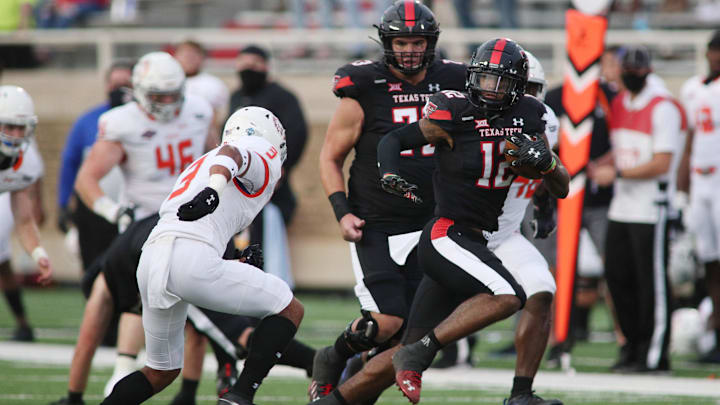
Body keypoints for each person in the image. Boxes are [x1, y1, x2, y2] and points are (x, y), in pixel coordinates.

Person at [310, 37, 563, 405]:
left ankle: (520, 393)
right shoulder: (458, 112)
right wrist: (387, 175)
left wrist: (546, 171)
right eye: (484, 79)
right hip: (452, 234)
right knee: (498, 299)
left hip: (497, 236)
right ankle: (413, 353)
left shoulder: (532, 117)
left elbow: (554, 183)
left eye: (509, 84)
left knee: (537, 292)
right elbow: (395, 140)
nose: (491, 90)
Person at [313, 0, 467, 399]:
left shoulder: (455, 79)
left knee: (411, 334)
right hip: (375, 221)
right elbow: (330, 157)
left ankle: (349, 387)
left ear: (431, 42)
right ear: (387, 43)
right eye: (402, 42)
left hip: (432, 225)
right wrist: (341, 213)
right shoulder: (363, 85)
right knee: (385, 322)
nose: (410, 49)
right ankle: (331, 357)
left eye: (418, 41)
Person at [100, 106, 304, 405]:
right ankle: (239, 396)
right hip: (188, 257)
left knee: (160, 371)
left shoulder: (202, 162)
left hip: (153, 259)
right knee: (289, 308)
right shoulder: (255, 150)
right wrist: (213, 190)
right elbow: (234, 153)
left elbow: (197, 224)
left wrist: (230, 259)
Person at [49, 214, 314, 405]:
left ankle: (190, 394)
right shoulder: (220, 192)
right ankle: (312, 362)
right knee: (238, 334)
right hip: (171, 262)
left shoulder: (120, 256)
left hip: (161, 253)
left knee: (164, 364)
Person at [73, 51, 213, 397]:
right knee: (103, 298)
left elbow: (215, 157)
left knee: (203, 312)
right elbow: (87, 179)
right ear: (138, 90)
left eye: (172, 93)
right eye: (158, 95)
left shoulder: (199, 110)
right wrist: (111, 210)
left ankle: (190, 392)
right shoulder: (121, 122)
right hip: (141, 224)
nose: (167, 102)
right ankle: (79, 391)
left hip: (191, 221)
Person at [591, 45, 685, 373]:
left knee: (651, 284)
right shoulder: (620, 102)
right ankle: (631, 346)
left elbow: (662, 162)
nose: (629, 75)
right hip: (623, 205)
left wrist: (615, 173)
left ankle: (654, 353)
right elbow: (623, 149)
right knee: (618, 279)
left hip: (651, 207)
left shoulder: (663, 107)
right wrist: (596, 165)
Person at [229, 44, 308, 287]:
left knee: (267, 246)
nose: (249, 69)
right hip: (239, 187)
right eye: (244, 63)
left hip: (272, 189)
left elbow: (297, 133)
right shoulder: (236, 96)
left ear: (266, 66)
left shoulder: (283, 97)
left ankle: (269, 290)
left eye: (255, 63)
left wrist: (280, 170)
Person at [57, 60, 133, 272]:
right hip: (96, 208)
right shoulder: (88, 121)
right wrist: (63, 203)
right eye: (115, 83)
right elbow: (70, 162)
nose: (119, 88)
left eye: (125, 83)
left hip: (135, 209)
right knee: (94, 268)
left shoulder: (147, 120)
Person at [678, 29, 720, 363]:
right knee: (709, 261)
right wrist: (683, 189)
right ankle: (716, 332)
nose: (715, 56)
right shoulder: (694, 88)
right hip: (701, 181)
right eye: (713, 50)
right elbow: (690, 141)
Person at [0, 85, 53, 341]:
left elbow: (24, 219)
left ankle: (21, 322)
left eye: (21, 128)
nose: (15, 135)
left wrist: (38, 253)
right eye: (8, 126)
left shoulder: (27, 159)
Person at [174, 39, 230, 147]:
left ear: (202, 58)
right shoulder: (168, 84)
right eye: (184, 54)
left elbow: (217, 120)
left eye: (193, 55)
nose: (188, 59)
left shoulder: (214, 84)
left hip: (203, 138)